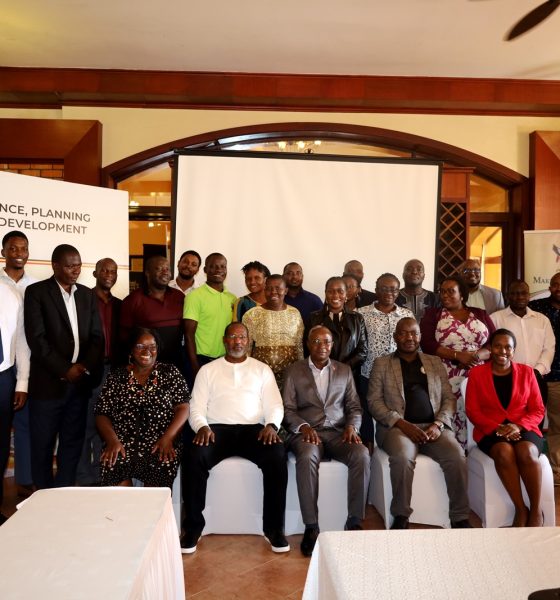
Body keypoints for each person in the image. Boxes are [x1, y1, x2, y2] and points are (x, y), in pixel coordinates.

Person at [181, 322, 288, 554]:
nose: (237, 341)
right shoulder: (207, 370)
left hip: (254, 430)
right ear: (224, 340)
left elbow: (275, 404)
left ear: (248, 341)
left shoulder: (262, 369)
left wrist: (272, 425)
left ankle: (274, 529)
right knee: (194, 454)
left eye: (241, 337)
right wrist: (201, 426)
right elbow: (196, 406)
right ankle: (192, 528)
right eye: (232, 337)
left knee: (277, 455)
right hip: (216, 431)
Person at [368, 318, 470, 530]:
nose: (409, 338)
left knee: (457, 455)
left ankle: (459, 516)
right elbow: (374, 402)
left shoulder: (434, 362)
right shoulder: (382, 363)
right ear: (396, 337)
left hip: (433, 427)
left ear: (420, 337)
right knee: (404, 457)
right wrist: (402, 424)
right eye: (404, 333)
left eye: (413, 333)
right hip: (397, 428)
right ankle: (401, 515)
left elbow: (449, 399)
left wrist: (439, 424)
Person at [283, 326, 370, 556]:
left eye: (327, 342)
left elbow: (354, 406)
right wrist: (303, 427)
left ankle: (353, 521)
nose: (323, 346)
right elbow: (288, 409)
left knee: (361, 454)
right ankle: (311, 527)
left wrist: (352, 426)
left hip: (339, 432)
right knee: (308, 455)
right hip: (307, 433)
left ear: (332, 345)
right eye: (317, 341)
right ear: (308, 344)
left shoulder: (343, 370)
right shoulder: (293, 371)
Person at [24, 244, 104, 489]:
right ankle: (44, 496)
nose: (75, 271)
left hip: (79, 385)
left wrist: (83, 368)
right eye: (69, 266)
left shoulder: (87, 295)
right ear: (55, 266)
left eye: (78, 265)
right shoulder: (36, 292)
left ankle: (64, 493)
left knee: (72, 443)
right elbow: (37, 340)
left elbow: (96, 337)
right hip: (48, 386)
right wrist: (64, 369)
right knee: (43, 445)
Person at [466, 328, 545, 527]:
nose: (502, 351)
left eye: (508, 347)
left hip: (524, 426)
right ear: (490, 349)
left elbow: (538, 409)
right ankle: (521, 508)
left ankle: (535, 510)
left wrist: (518, 426)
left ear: (514, 350)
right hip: (490, 430)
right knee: (503, 451)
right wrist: (497, 428)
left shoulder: (527, 372)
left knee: (526, 451)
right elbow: (473, 411)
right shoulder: (477, 373)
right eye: (498, 346)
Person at [95, 327, 189, 488]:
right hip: (122, 442)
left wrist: (169, 438)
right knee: (112, 466)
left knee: (160, 471)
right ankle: (124, 513)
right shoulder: (117, 376)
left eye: (152, 347)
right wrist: (112, 441)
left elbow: (183, 407)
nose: (147, 351)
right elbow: (102, 413)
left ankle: (150, 513)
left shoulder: (169, 373)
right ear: (131, 350)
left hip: (160, 441)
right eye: (140, 346)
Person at [420, 276, 495, 448]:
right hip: (445, 375)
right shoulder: (434, 314)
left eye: (450, 291)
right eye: (442, 292)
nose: (445, 295)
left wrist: (475, 356)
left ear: (462, 294)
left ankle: (480, 450)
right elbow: (427, 344)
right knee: (451, 414)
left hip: (479, 376)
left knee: (479, 414)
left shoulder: (480, 313)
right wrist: (457, 356)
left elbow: (495, 341)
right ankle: (455, 454)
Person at [76, 258, 122, 486]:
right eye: (104, 270)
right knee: (85, 425)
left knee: (106, 425)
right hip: (88, 372)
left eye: (113, 271)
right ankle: (84, 478)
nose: (109, 274)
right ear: (95, 273)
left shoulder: (120, 305)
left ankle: (102, 475)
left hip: (113, 371)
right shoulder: (82, 299)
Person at [357, 273, 414, 448]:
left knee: (396, 416)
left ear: (398, 292)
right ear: (376, 290)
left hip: (400, 377)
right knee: (367, 417)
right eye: (384, 288)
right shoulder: (361, 314)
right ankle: (368, 448)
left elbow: (415, 343)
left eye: (393, 289)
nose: (389, 292)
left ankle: (399, 443)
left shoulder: (407, 314)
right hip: (368, 374)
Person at [1, 230, 36, 497]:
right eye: (13, 248)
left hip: (23, 367)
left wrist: (22, 379)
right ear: (3, 253)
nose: (19, 253)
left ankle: (24, 482)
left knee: (22, 426)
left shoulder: (34, 287)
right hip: (3, 367)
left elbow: (26, 336)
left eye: (23, 249)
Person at [491, 279, 554, 411]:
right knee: (509, 419)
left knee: (536, 420)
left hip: (537, 378)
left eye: (523, 293)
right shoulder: (495, 319)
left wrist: (537, 371)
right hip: (507, 378)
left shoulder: (542, 320)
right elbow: (492, 349)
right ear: (508, 296)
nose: (519, 297)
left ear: (529, 295)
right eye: (514, 293)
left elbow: (549, 348)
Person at [120, 255, 185, 369]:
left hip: (176, 364)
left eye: (167, 269)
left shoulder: (179, 296)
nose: (165, 272)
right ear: (147, 273)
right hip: (145, 365)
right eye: (159, 269)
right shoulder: (134, 299)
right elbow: (124, 336)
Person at [0, 283, 30, 524]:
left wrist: (21, 383)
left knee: (1, 445)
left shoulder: (10, 295)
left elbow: (21, 342)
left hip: (4, 377)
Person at [243, 274, 304, 388]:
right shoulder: (252, 314)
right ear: (264, 290)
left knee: (287, 404)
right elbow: (247, 348)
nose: (273, 292)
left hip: (290, 376)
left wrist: (301, 371)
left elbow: (299, 345)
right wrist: (246, 372)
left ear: (285, 290)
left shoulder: (295, 313)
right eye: (269, 288)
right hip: (260, 376)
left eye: (278, 288)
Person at [183, 253, 236, 380]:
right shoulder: (194, 297)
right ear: (205, 270)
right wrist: (195, 368)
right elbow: (188, 335)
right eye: (213, 266)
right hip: (201, 361)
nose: (218, 270)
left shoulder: (233, 298)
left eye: (222, 267)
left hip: (225, 361)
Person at [529, 272, 560, 485]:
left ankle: (556, 470)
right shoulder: (537, 309)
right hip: (537, 376)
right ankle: (536, 466)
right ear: (549, 286)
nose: (559, 288)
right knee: (534, 423)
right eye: (555, 284)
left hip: (559, 377)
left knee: (557, 425)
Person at [307, 276, 367, 380]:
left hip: (349, 375)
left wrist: (342, 368)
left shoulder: (357, 319)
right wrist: (325, 368)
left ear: (346, 294)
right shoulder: (313, 318)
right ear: (325, 293)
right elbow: (307, 348)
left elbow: (362, 351)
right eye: (331, 291)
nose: (335, 295)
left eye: (340, 291)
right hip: (319, 375)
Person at [282, 262, 323, 326]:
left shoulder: (314, 301)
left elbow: (323, 325)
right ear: (283, 277)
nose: (294, 276)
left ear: (302, 276)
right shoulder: (277, 300)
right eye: (290, 273)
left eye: (298, 273)